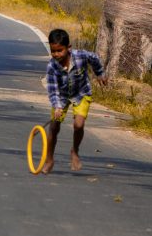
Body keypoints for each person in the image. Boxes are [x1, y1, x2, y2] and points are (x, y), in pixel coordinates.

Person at [43, 28, 107, 174]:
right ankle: (49, 159)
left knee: (79, 124)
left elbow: (95, 58)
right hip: (62, 96)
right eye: (53, 51)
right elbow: (53, 89)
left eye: (60, 50)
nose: (56, 54)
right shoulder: (52, 66)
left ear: (69, 48)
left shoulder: (80, 56)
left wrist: (99, 74)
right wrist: (58, 107)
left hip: (81, 92)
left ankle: (75, 151)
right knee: (54, 127)